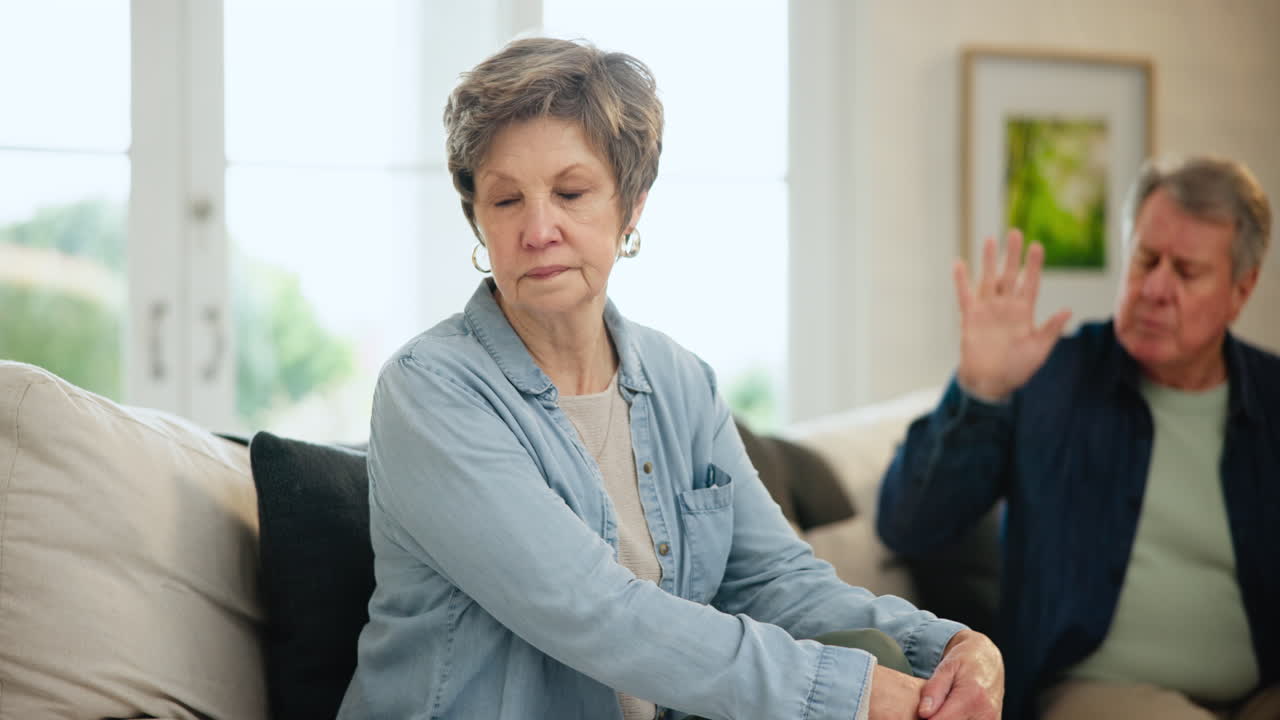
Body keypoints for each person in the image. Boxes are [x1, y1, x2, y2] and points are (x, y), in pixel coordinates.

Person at [337, 37, 1003, 720]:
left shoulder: (680, 381)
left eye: (571, 192)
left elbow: (776, 579)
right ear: (478, 216)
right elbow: (594, 612)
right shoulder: (429, 391)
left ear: (631, 207)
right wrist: (847, 693)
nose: (539, 229)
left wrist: (948, 644)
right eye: (507, 201)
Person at [877, 156, 1279, 720]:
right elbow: (907, 523)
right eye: (1146, 259)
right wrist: (979, 390)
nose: (1156, 288)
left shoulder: (1271, 397)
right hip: (1098, 694)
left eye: (1186, 272)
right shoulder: (1051, 379)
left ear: (1242, 289)